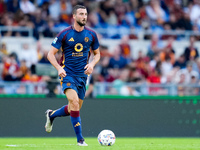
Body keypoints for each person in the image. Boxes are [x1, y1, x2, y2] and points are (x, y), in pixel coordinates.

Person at [45, 5, 100, 146]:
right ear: (74, 16)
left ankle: (51, 115)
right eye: (81, 14)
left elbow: (97, 54)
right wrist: (58, 68)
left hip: (82, 77)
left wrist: (92, 65)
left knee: (73, 109)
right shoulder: (64, 34)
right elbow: (50, 54)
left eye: (86, 14)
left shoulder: (91, 35)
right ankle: (80, 140)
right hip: (67, 74)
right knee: (74, 103)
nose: (84, 17)